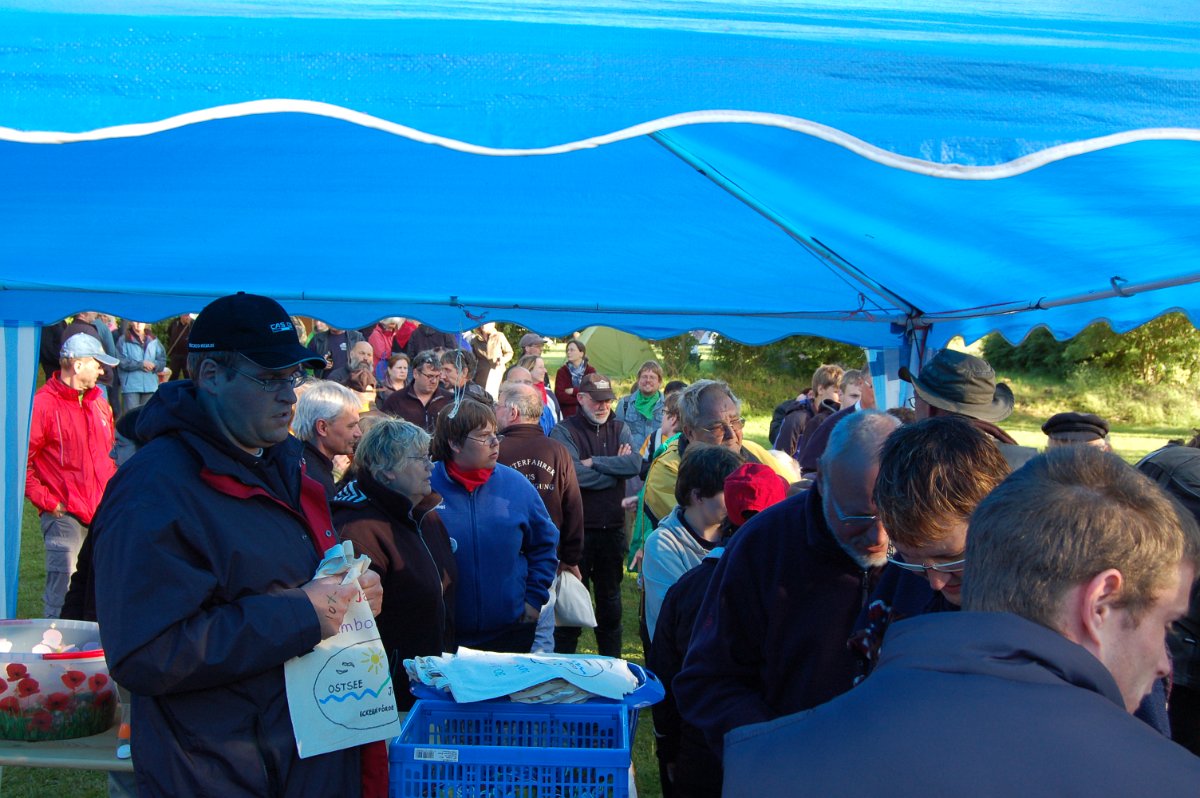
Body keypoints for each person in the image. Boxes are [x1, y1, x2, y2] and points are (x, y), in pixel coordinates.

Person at [723, 445, 1200, 795]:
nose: (931, 580)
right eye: (911, 562)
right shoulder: (1170, 781)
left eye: (950, 560)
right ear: (1100, 600)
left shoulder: (765, 762)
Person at [91, 292, 385, 797]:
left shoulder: (282, 461)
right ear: (209, 375)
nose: (289, 397)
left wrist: (346, 590)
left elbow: (285, 578)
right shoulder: (154, 490)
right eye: (269, 379)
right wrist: (302, 613)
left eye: (293, 378)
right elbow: (145, 651)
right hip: (222, 769)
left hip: (301, 749)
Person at [674, 411, 900, 759]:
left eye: (895, 513)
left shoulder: (928, 549)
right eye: (857, 517)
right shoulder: (763, 546)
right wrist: (778, 751)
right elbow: (708, 679)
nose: (879, 536)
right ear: (821, 480)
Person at [650, 463, 788, 798]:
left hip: (703, 747)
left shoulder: (687, 587)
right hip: (772, 754)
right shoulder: (792, 589)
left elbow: (665, 675)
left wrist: (669, 748)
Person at [849, 416, 1010, 671]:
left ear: (1002, 520)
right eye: (913, 562)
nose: (936, 583)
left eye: (952, 559)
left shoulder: (1045, 609)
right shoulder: (898, 580)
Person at [332, 418, 456, 710]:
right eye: (420, 459)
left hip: (433, 681)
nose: (431, 466)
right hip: (390, 696)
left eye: (430, 457)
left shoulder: (425, 514)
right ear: (386, 469)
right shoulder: (357, 527)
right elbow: (356, 623)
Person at [429, 399, 559, 653]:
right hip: (444, 635)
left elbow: (545, 544)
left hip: (509, 631)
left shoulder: (516, 485)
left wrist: (533, 600)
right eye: (483, 436)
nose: (495, 442)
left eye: (495, 434)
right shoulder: (425, 486)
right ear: (454, 444)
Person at [26, 332, 119, 618]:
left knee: (106, 589)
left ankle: (95, 657)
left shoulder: (100, 403)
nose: (102, 370)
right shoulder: (43, 404)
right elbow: (20, 464)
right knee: (62, 595)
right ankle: (56, 659)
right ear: (78, 366)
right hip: (64, 518)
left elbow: (111, 455)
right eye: (97, 363)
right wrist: (49, 501)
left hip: (103, 514)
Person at [549, 374, 642, 656]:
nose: (603, 406)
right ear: (581, 398)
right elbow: (573, 476)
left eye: (608, 400)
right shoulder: (564, 431)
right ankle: (563, 672)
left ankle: (613, 668)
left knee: (611, 606)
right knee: (568, 611)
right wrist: (613, 471)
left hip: (612, 530)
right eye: (597, 400)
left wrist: (597, 462)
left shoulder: (620, 427)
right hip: (577, 533)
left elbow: (634, 463)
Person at [641, 380, 797, 542]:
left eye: (735, 421)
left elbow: (794, 488)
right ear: (690, 432)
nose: (732, 434)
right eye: (717, 427)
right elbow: (707, 527)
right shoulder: (668, 469)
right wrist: (782, 501)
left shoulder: (752, 451)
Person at [496, 381, 585, 652]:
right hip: (547, 558)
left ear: (512, 412)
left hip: (505, 558)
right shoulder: (557, 451)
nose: (495, 412)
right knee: (543, 634)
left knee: (505, 633)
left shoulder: (495, 450)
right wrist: (569, 557)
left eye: (498, 406)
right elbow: (573, 507)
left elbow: (571, 504)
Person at [641, 443, 742, 641]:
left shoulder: (738, 534)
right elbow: (680, 618)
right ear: (697, 495)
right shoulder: (662, 545)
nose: (736, 499)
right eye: (727, 492)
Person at [898, 347, 1036, 468]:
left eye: (916, 401)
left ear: (930, 409)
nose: (914, 410)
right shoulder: (1024, 462)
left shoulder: (908, 460)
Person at [294, 380, 363, 498]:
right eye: (351, 426)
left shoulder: (299, 459)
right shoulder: (312, 479)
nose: (359, 433)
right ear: (322, 427)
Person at [771, 363, 842, 457]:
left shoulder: (839, 420)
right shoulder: (797, 419)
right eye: (836, 392)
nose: (840, 397)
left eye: (842, 392)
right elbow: (780, 459)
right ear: (820, 389)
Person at [380, 350, 453, 433]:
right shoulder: (396, 400)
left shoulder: (449, 400)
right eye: (429, 376)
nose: (434, 381)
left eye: (437, 376)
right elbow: (383, 432)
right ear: (415, 374)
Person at [615, 360, 666, 455]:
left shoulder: (668, 405)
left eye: (652, 377)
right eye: (644, 377)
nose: (648, 380)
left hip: (659, 459)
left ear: (659, 382)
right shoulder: (624, 404)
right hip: (632, 459)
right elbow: (616, 434)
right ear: (638, 380)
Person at [116, 320, 168, 408]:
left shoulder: (154, 340)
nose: (138, 324)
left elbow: (162, 360)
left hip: (150, 385)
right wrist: (141, 364)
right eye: (135, 321)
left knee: (147, 416)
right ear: (131, 322)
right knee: (131, 417)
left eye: (141, 321)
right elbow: (121, 361)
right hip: (131, 386)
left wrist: (155, 365)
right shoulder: (123, 340)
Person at [515, 354, 562, 431]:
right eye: (541, 367)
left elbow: (558, 419)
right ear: (528, 369)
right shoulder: (518, 395)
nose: (545, 371)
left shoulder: (548, 393)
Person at [553, 339, 595, 419]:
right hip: (567, 415)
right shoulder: (562, 372)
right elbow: (559, 396)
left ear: (581, 353)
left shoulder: (590, 371)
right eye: (567, 350)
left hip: (588, 414)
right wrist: (582, 400)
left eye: (572, 350)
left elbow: (592, 393)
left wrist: (573, 391)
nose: (568, 352)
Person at [1043, 411, 1112, 450]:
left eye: (1087, 449)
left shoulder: (1116, 472)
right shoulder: (1037, 471)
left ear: (1106, 449)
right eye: (1062, 450)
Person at [480, 322, 513, 400]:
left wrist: (503, 360)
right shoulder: (475, 339)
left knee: (494, 398)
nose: (483, 325)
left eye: (487, 323)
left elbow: (509, 352)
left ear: (493, 324)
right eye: (482, 323)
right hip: (480, 375)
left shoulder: (499, 336)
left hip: (496, 372)